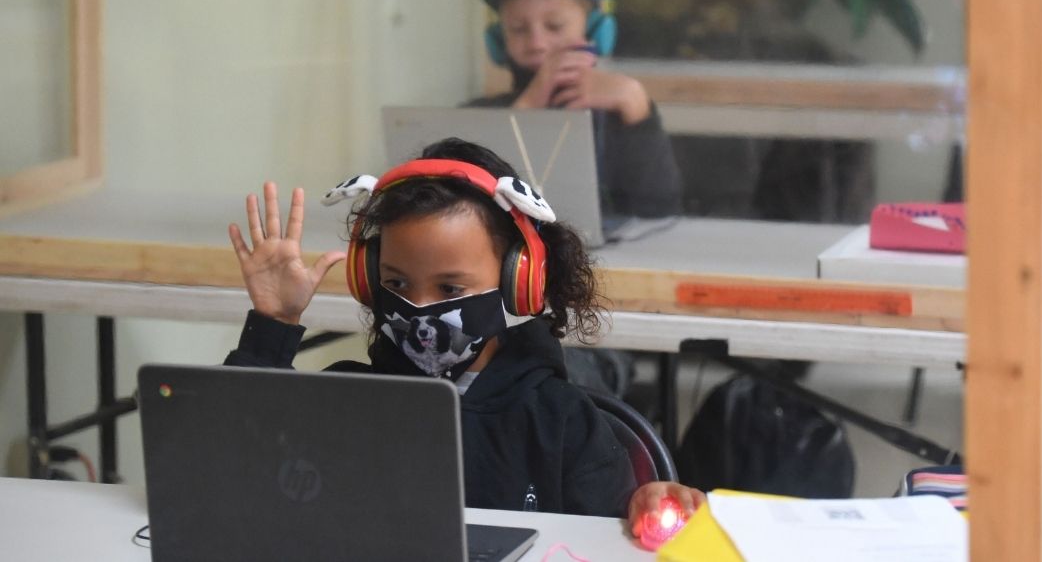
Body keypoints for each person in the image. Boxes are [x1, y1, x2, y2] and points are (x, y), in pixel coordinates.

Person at [224, 138, 704, 527]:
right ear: (368, 280)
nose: (419, 307)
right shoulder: (349, 399)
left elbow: (613, 536)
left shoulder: (559, 420)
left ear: (520, 279)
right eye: (396, 283)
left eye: (450, 286)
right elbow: (229, 469)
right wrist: (274, 324)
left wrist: (645, 502)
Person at [468, 0, 682, 219]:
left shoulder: (617, 112)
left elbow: (661, 208)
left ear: (595, 28)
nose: (537, 41)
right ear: (498, 37)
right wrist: (528, 107)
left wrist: (637, 108)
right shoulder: (478, 118)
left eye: (554, 26)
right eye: (518, 28)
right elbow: (472, 208)